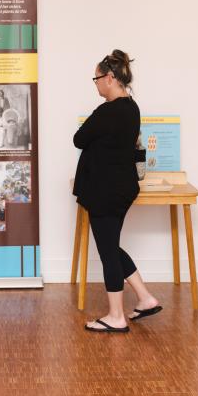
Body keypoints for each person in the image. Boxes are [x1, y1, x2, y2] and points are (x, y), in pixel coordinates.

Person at [73, 49, 161, 333]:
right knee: (111, 246)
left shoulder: (106, 112)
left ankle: (116, 316)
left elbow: (78, 139)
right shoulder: (132, 108)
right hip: (122, 189)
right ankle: (145, 298)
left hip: (104, 192)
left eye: (97, 78)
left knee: (108, 252)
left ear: (110, 78)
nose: (96, 83)